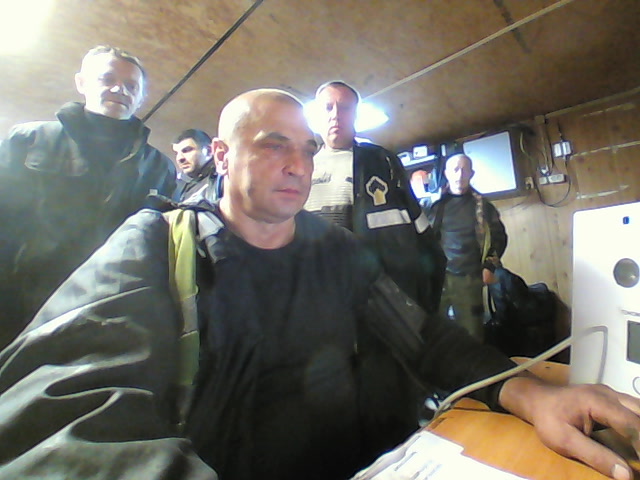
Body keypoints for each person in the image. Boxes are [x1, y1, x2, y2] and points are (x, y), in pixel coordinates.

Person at [0, 88, 638, 480]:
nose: (298, 165)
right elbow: (58, 416)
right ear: (221, 156)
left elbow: (425, 340)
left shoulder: (336, 251)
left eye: (306, 149)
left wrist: (531, 394)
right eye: (274, 145)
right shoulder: (153, 247)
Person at [0, 45, 176, 349]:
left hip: (99, 312)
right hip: (15, 302)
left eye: (131, 85)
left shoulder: (159, 168)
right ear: (81, 83)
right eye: (107, 79)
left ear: (141, 97)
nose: (119, 89)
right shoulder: (29, 140)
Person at [305, 80, 446, 316]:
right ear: (317, 116)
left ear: (355, 115)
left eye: (345, 107)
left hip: (377, 295)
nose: (336, 115)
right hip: (322, 293)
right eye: (328, 107)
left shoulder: (382, 162)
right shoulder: (302, 167)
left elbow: (420, 232)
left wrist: (426, 296)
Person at [426, 153, 508, 341]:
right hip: (439, 279)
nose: (460, 174)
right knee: (435, 333)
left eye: (464, 170)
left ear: (471, 174)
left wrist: (489, 266)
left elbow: (499, 238)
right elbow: (424, 239)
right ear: (446, 173)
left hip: (469, 279)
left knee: (473, 335)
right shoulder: (434, 205)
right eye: (455, 169)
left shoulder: (483, 206)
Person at [172, 128, 219, 202]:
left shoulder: (225, 178)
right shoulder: (186, 188)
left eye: (187, 150)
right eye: (176, 153)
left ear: (209, 151)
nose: (179, 158)